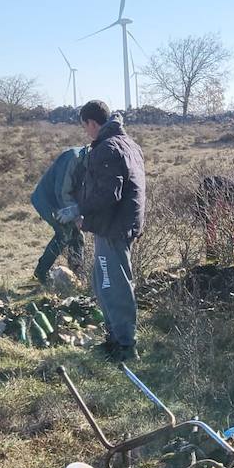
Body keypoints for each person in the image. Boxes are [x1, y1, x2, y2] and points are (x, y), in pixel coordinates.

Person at [73, 100, 146, 360]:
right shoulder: (129, 144)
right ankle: (115, 337)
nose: (86, 133)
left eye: (85, 127)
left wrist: (83, 216)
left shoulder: (107, 148)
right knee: (103, 282)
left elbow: (107, 195)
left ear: (92, 123)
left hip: (113, 227)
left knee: (113, 285)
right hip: (122, 224)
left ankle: (125, 347)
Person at [29, 119, 92, 285]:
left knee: (77, 236)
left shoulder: (90, 163)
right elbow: (62, 191)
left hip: (62, 202)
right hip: (46, 201)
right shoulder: (73, 158)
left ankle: (77, 274)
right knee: (64, 233)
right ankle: (41, 273)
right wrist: (75, 215)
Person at [193, 174, 234, 255]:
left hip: (226, 192)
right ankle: (211, 255)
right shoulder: (230, 196)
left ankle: (230, 249)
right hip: (207, 189)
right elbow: (215, 214)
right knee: (210, 225)